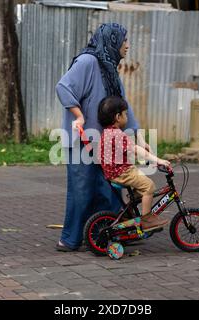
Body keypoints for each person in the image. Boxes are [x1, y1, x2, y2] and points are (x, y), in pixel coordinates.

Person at [55, 23, 147, 251]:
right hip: (82, 142)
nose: (128, 45)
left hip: (107, 143)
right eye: (124, 40)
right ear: (112, 41)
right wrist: (78, 115)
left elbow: (123, 107)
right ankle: (70, 239)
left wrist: (139, 136)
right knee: (82, 190)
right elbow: (64, 87)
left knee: (111, 188)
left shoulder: (109, 69)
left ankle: (112, 233)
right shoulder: (87, 62)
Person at [98, 96, 171, 230]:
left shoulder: (107, 133)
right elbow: (135, 150)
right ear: (118, 117)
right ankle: (147, 219)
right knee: (148, 186)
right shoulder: (117, 134)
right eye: (126, 114)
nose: (127, 117)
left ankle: (127, 214)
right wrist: (158, 160)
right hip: (121, 173)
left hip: (116, 172)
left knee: (140, 187)